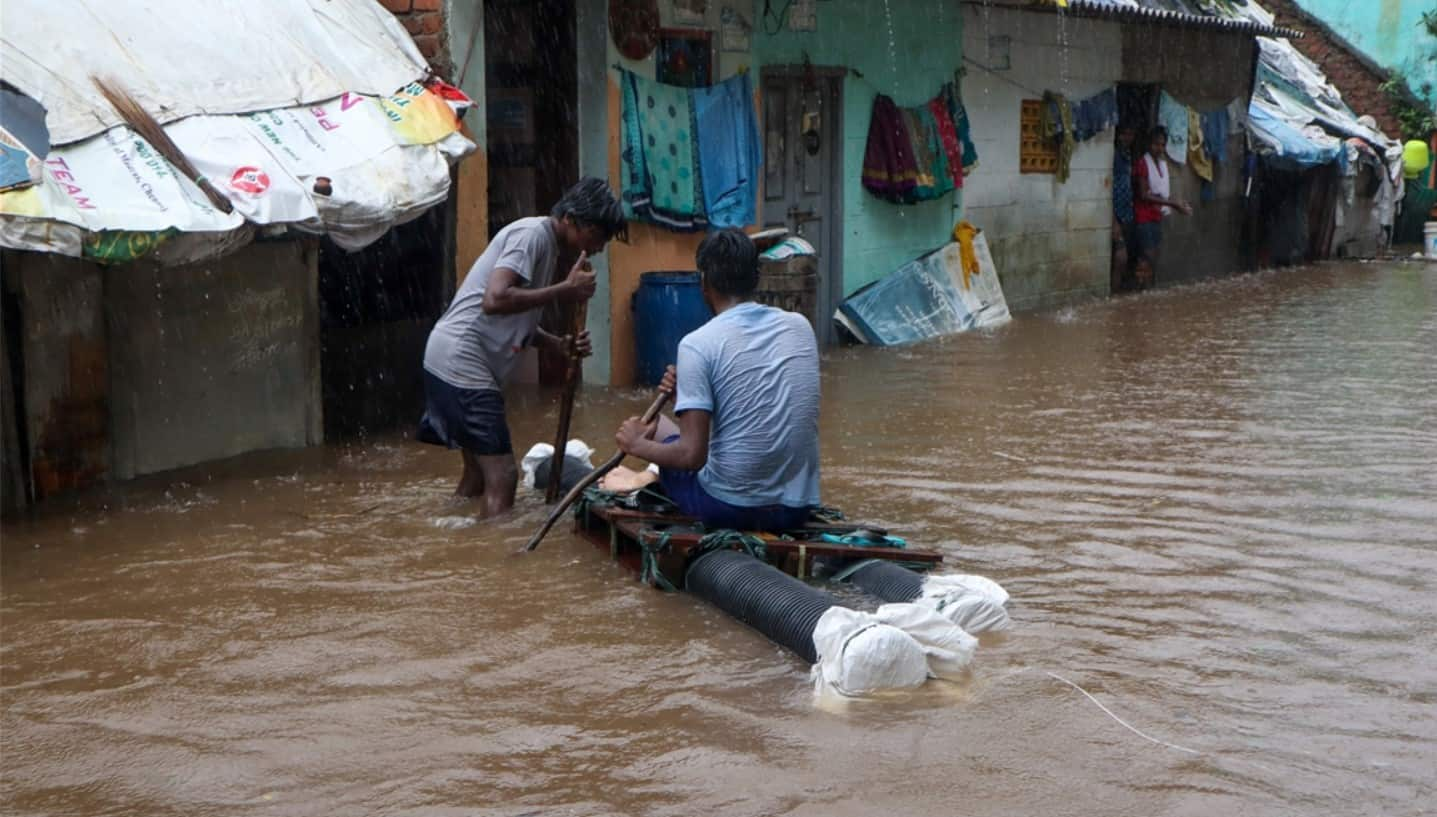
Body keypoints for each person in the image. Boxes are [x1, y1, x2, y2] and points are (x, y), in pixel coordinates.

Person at [418, 177, 625, 516]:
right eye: (597, 236)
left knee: (477, 476)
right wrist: (565, 289)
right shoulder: (532, 236)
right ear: (571, 219)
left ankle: (450, 539)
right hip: (462, 362)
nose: (600, 247)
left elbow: (518, 322)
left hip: (448, 359)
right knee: (504, 477)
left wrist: (558, 344)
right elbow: (495, 299)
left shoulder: (546, 245)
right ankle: (496, 561)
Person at [601, 228, 821, 531]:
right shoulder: (801, 327)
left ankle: (642, 477)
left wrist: (636, 445)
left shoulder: (697, 344)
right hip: (798, 507)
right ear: (756, 278)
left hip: (731, 508)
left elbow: (691, 457)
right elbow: (753, 409)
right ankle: (645, 472)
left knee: (653, 438)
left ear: (704, 283)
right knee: (662, 427)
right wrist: (688, 393)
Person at [1132, 125, 1192, 290]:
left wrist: (1178, 203)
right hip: (1143, 218)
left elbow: (1161, 194)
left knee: (1154, 258)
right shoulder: (1143, 163)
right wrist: (1173, 204)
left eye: (1162, 145)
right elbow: (1143, 195)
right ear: (1149, 144)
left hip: (1156, 218)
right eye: (1156, 144)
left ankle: (1149, 294)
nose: (1159, 148)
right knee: (1147, 258)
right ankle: (1140, 292)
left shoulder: (1162, 164)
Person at [1111, 122, 1138, 293]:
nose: (1127, 138)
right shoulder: (1113, 155)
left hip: (1127, 214)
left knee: (1124, 261)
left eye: (1130, 134)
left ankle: (1119, 299)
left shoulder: (1127, 155)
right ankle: (1113, 296)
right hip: (1115, 215)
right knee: (1120, 258)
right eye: (1123, 134)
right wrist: (1114, 220)